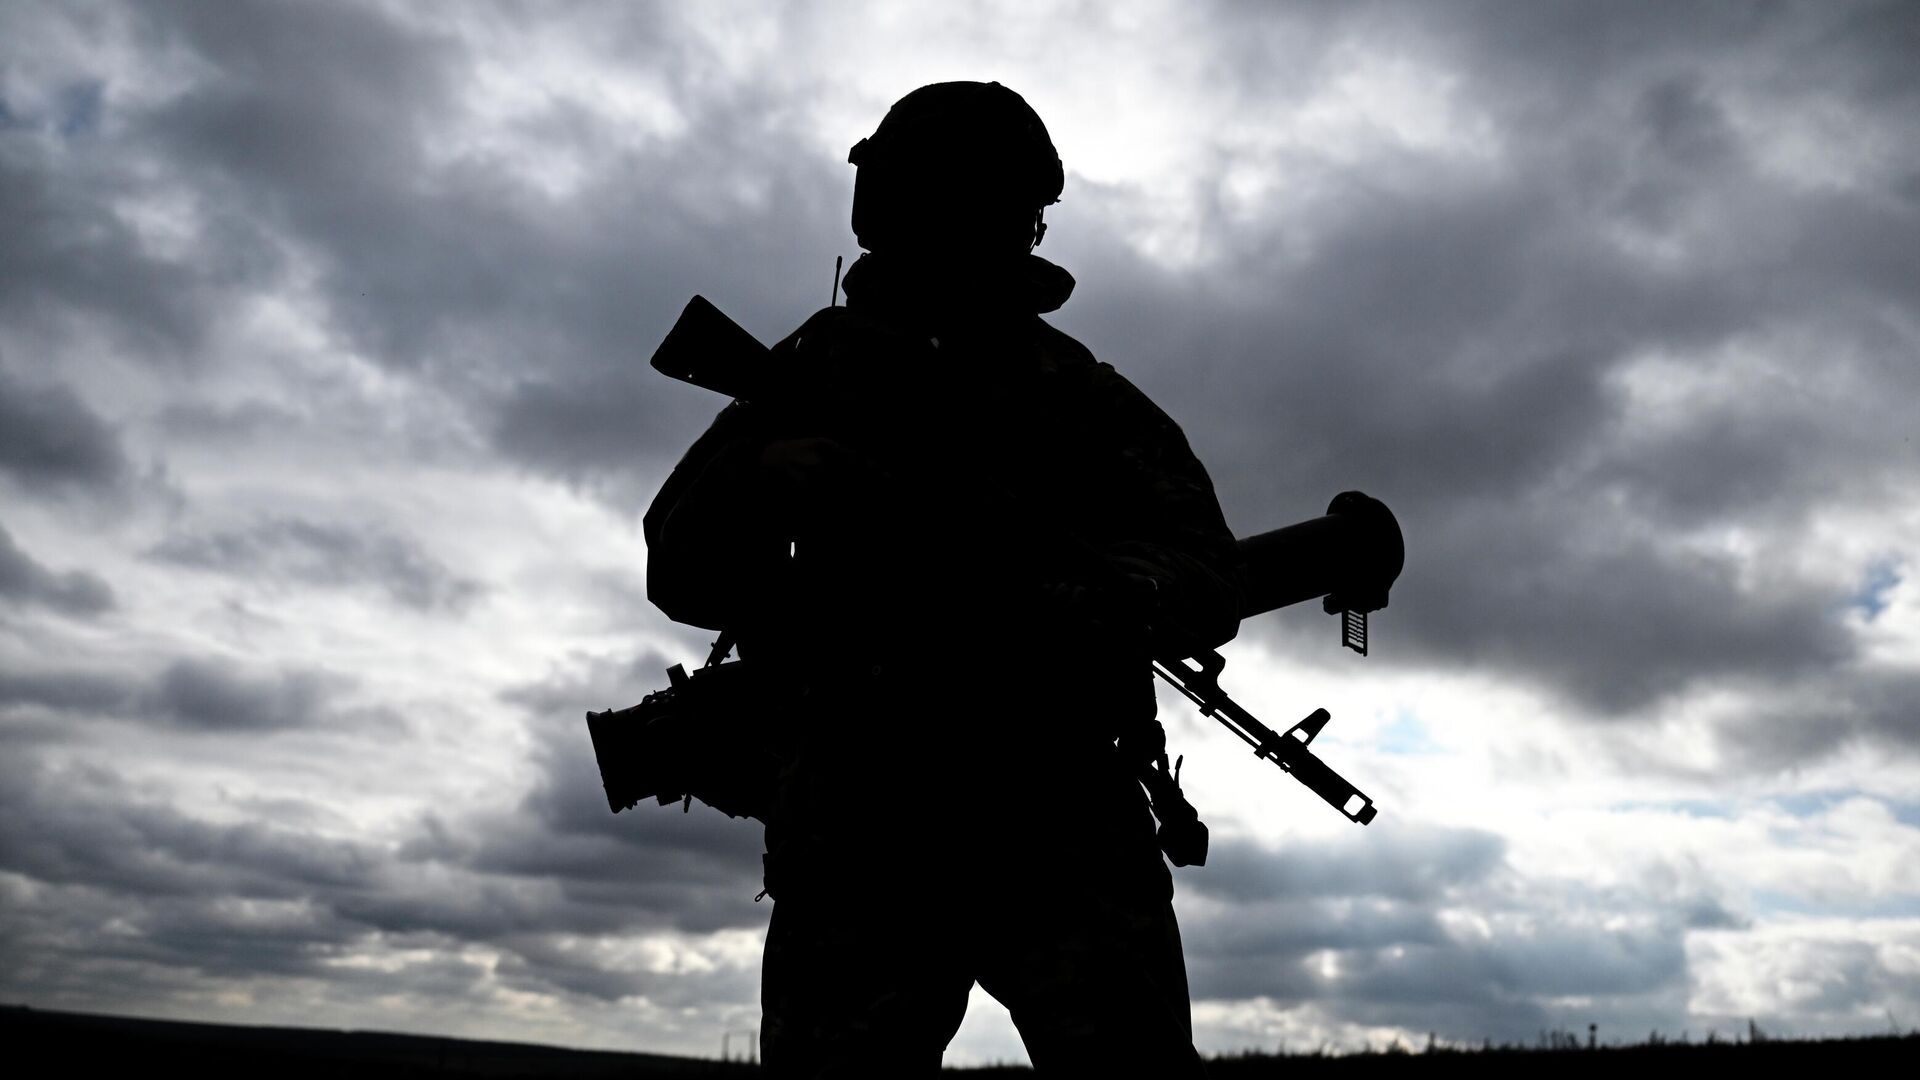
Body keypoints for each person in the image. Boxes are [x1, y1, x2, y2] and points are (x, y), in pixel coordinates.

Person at [643, 81, 1240, 1077]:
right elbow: (679, 569)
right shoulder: (815, 373)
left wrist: (1118, 594)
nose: (959, 226)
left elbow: (1204, 567)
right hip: (864, 825)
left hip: (1057, 817)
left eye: (983, 202)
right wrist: (763, 478)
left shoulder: (1076, 393)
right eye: (940, 197)